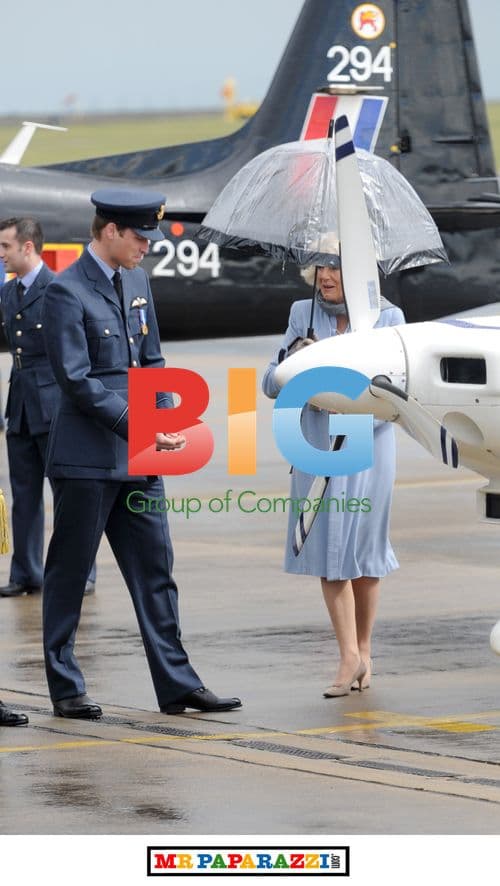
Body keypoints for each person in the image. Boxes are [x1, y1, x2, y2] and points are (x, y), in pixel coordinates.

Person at [40, 187, 241, 719]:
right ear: (109, 231)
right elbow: (77, 380)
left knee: (156, 570)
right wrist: (137, 424)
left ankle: (177, 684)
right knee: (69, 573)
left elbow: (152, 361)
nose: (147, 246)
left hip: (141, 456)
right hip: (87, 459)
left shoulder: (135, 280)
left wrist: (167, 419)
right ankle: (66, 687)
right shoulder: (66, 292)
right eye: (139, 236)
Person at [262, 236, 404, 697]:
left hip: (368, 444)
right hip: (317, 446)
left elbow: (401, 393)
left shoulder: (388, 319)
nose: (325, 275)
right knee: (328, 552)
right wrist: (293, 359)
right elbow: (270, 381)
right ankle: (346, 655)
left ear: (360, 272)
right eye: (321, 266)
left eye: (337, 267)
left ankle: (365, 652)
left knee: (363, 556)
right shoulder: (301, 314)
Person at [0, 217, 96, 597]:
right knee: (23, 495)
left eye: (6, 246)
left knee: (69, 496)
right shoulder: (9, 292)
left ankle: (80, 573)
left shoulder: (58, 289)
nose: (1, 254)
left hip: (54, 405)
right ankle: (26, 573)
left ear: (27, 247)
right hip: (21, 404)